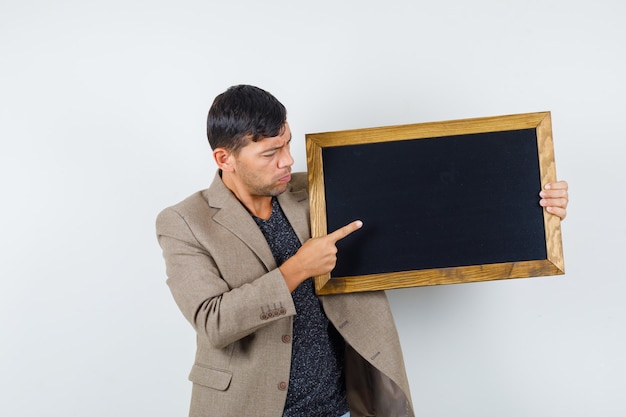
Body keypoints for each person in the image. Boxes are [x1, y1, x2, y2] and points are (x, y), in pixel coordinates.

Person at [156, 85, 569, 417]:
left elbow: (435, 203)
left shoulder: (318, 186)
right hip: (248, 405)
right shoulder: (185, 222)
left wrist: (530, 203)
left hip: (341, 405)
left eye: (286, 144)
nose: (287, 160)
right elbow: (212, 322)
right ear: (224, 158)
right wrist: (296, 269)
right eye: (270, 154)